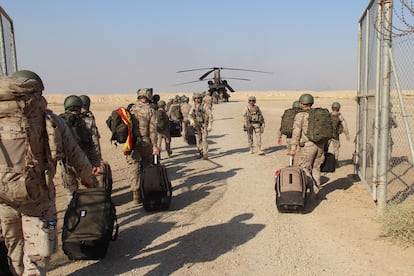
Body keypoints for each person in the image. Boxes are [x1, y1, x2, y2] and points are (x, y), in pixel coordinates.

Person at [0, 70, 96, 276]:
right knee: (39, 254)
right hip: (39, 199)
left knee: (13, 249)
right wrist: (89, 180)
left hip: (3, 199)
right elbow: (75, 154)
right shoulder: (49, 120)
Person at [60, 95, 102, 200]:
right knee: (90, 191)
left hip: (66, 163)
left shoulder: (59, 121)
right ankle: (90, 213)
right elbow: (95, 143)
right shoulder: (87, 120)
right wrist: (96, 163)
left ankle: (73, 213)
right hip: (84, 161)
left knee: (71, 192)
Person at [288, 93, 325, 198]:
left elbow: (296, 132)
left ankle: (314, 188)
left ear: (302, 103)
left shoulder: (300, 115)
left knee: (303, 168)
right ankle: (315, 194)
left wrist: (293, 148)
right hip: (320, 146)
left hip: (308, 146)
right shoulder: (318, 114)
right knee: (316, 168)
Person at [128, 88, 160, 203]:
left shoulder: (131, 109)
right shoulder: (150, 110)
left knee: (134, 166)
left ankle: (136, 193)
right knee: (147, 165)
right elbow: (153, 130)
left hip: (131, 142)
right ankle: (147, 189)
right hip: (145, 141)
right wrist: (155, 145)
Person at [190, 93, 213, 159]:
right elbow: (190, 114)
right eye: (196, 98)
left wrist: (210, 125)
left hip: (203, 125)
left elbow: (210, 115)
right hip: (197, 126)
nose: (197, 100)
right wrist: (191, 120)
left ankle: (205, 154)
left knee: (204, 140)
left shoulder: (205, 106)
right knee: (198, 141)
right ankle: (201, 152)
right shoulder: (193, 107)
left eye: (198, 98)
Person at [328, 102, 350, 168]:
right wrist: (347, 134)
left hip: (327, 136)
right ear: (339, 108)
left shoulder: (328, 115)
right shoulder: (340, 116)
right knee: (336, 150)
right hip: (335, 136)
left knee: (325, 149)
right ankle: (336, 163)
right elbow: (344, 126)